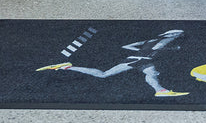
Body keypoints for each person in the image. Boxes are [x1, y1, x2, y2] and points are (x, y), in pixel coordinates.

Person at [37, 29, 189, 97]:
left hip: (140, 58)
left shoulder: (151, 40)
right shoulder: (168, 39)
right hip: (140, 59)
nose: (180, 36)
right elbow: (161, 47)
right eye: (178, 34)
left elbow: (126, 47)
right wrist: (171, 47)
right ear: (172, 34)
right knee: (104, 75)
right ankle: (68, 66)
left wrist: (147, 51)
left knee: (151, 73)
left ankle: (160, 91)